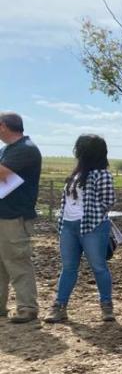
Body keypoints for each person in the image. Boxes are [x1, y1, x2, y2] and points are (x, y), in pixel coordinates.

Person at [44, 135, 117, 323]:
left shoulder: (102, 174)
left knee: (99, 267)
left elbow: (108, 201)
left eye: (79, 147)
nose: (76, 150)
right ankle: (59, 306)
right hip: (68, 226)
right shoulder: (77, 173)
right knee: (68, 268)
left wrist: (93, 215)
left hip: (92, 226)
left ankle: (106, 306)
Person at [0, 112, 42, 323]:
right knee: (1, 263)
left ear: (4, 126)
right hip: (4, 213)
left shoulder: (26, 150)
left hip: (14, 215)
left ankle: (27, 307)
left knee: (17, 261)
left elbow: (1, 173)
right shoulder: (8, 149)